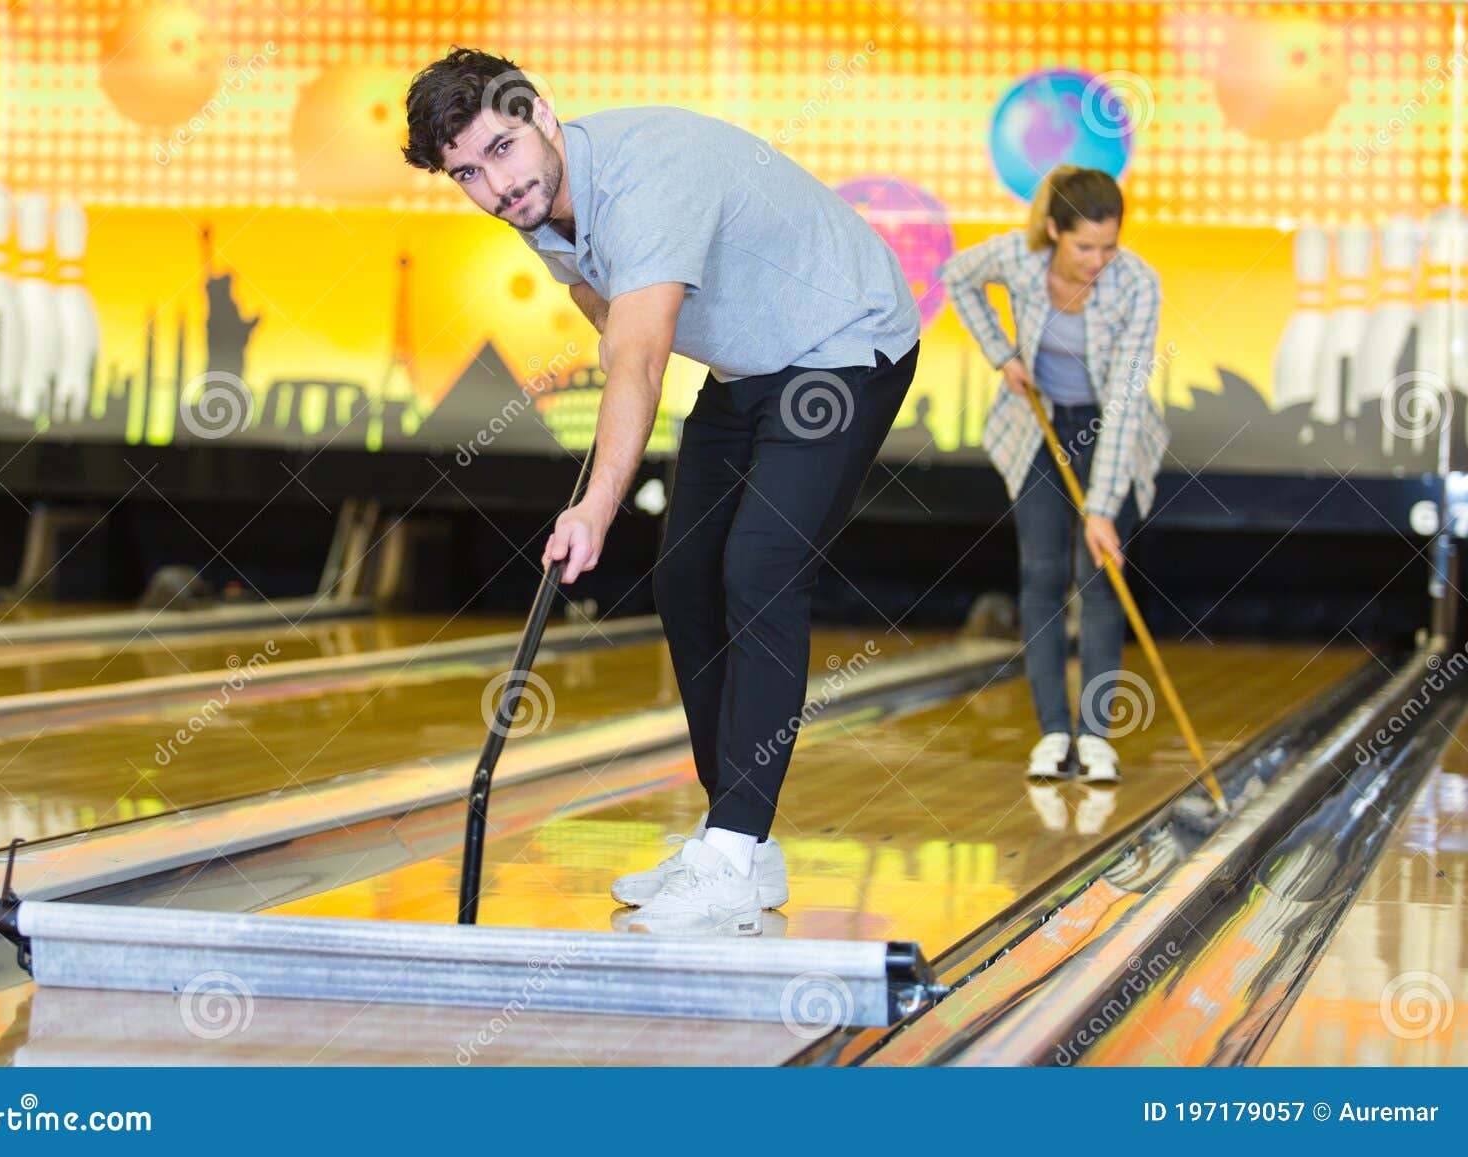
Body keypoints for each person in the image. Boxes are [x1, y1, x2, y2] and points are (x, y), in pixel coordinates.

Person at [404, 48, 921, 934]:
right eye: (466, 174)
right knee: (685, 574)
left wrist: (596, 505)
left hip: (842, 340)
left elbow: (641, 358)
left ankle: (728, 849)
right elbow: (614, 330)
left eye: (500, 149)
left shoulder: (649, 176)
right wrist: (618, 418)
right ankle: (743, 848)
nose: (493, 185)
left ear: (543, 112)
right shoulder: (537, 207)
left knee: (760, 570)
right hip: (750, 362)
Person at [941, 165, 1169, 785]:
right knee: (1040, 573)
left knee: (1099, 577)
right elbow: (956, 277)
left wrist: (1101, 508)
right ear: (1053, 230)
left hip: (1109, 430)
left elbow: (1123, 402)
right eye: (1084, 246)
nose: (1098, 260)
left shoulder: (1137, 286)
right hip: (1038, 426)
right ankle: (1052, 734)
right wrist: (1002, 354)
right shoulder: (1017, 257)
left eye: (1109, 246)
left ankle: (1095, 738)